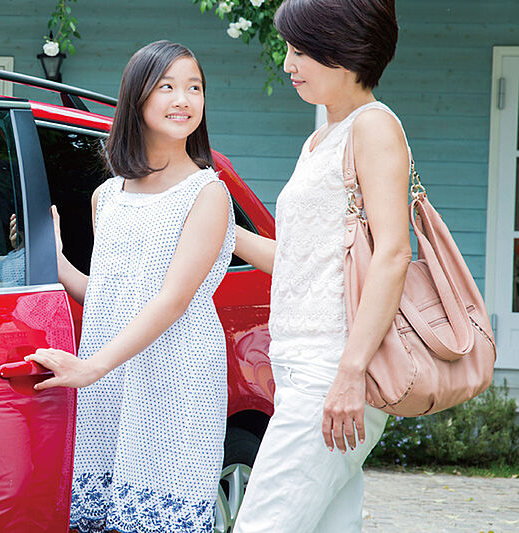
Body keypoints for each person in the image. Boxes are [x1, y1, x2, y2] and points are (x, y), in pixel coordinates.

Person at [24, 40, 235, 533]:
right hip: (110, 382)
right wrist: (57, 262)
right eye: (167, 87)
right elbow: (109, 296)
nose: (183, 99)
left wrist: (92, 366)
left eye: (194, 88)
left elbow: (173, 299)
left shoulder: (207, 193)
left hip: (176, 379)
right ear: (137, 97)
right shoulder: (107, 195)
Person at [231, 1, 412, 531]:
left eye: (301, 51)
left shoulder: (373, 127)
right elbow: (296, 263)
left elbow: (393, 253)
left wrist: (351, 372)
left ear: (345, 51)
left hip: (332, 369)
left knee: (262, 523)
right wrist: (222, 229)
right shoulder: (319, 140)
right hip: (300, 367)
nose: (288, 65)